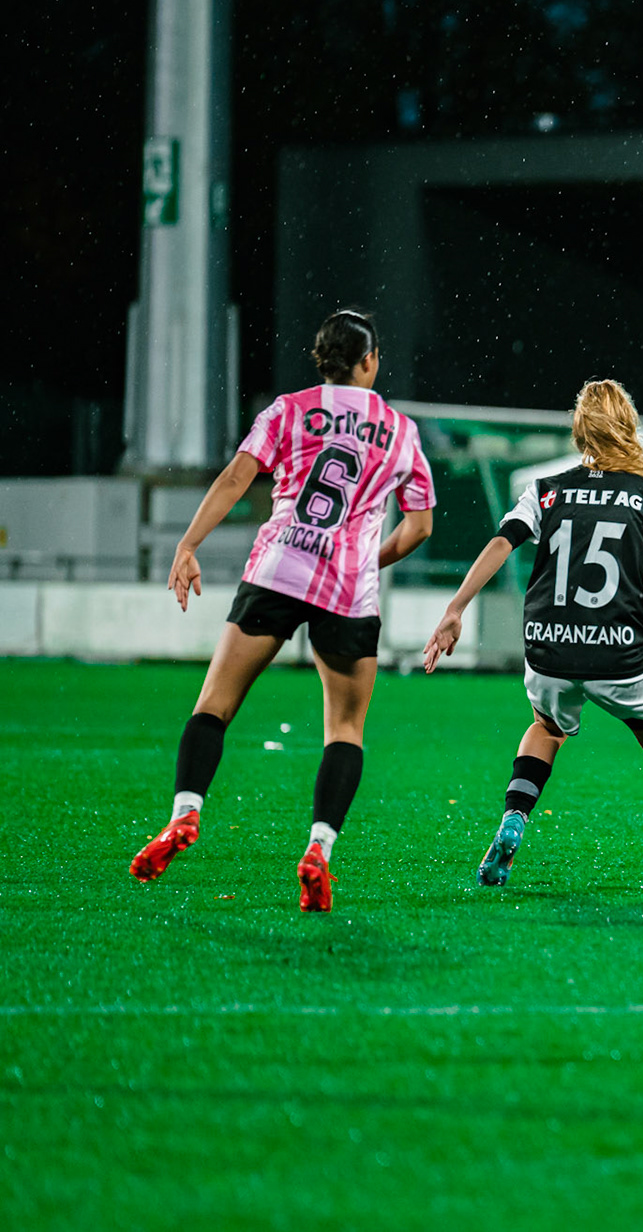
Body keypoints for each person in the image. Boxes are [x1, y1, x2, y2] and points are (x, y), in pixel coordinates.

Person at [129, 309, 436, 912]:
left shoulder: (288, 410)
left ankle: (185, 813)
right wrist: (364, 562)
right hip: (347, 592)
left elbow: (235, 479)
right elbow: (420, 527)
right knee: (344, 731)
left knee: (213, 706)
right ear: (369, 361)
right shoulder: (400, 431)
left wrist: (188, 544)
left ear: (320, 359)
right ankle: (318, 849)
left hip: (277, 571)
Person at [422, 380, 643, 890]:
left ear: (579, 430)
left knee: (546, 728)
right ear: (628, 427)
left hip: (549, 645)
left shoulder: (547, 488)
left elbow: (503, 542)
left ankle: (513, 821)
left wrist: (455, 609)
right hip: (620, 654)